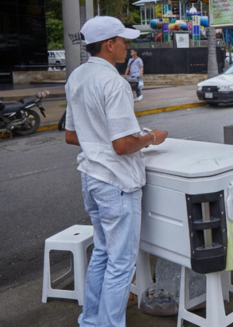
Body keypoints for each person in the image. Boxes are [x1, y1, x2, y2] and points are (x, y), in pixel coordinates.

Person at [64, 16, 169, 327]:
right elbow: (122, 145)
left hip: (91, 179)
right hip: (116, 183)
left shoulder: (77, 77)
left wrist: (100, 138)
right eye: (124, 41)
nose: (127, 46)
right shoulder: (114, 82)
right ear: (110, 44)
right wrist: (151, 137)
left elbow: (72, 135)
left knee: (102, 254)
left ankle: (90, 321)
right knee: (121, 263)